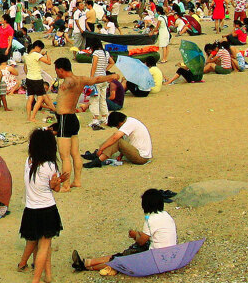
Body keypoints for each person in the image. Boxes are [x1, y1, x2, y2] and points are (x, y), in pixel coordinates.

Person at [72, 188, 177, 274]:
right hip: (168, 255)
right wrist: (138, 234)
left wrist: (134, 235)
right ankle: (86, 262)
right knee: (122, 255)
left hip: (156, 259)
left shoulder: (151, 219)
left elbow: (141, 242)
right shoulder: (166, 215)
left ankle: (87, 267)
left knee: (121, 259)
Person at [50, 58, 119, 190]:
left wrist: (65, 85)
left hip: (65, 119)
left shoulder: (69, 81)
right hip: (73, 119)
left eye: (57, 71)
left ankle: (65, 185)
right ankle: (77, 181)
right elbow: (96, 79)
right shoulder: (81, 79)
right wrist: (112, 76)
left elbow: (69, 83)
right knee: (75, 153)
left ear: (60, 70)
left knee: (64, 156)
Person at [18, 128, 67, 283]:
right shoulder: (50, 166)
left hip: (31, 209)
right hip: (47, 209)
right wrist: (56, 183)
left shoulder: (29, 162)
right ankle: (36, 279)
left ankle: (48, 275)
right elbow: (55, 189)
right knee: (45, 245)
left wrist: (55, 183)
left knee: (40, 243)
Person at [87, 111, 152, 166]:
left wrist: (101, 149)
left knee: (117, 139)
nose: (118, 128)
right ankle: (97, 155)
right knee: (117, 139)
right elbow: (127, 141)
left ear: (119, 123)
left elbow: (115, 138)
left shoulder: (129, 124)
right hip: (140, 154)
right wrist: (121, 155)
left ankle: (98, 160)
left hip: (141, 157)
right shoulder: (130, 121)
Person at [23, 41, 56, 123]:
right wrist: (47, 54)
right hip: (37, 78)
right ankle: (33, 117)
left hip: (29, 78)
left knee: (30, 98)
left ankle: (28, 117)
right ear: (37, 47)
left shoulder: (26, 56)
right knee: (40, 98)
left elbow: (25, 68)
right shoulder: (37, 55)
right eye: (40, 48)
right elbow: (49, 62)